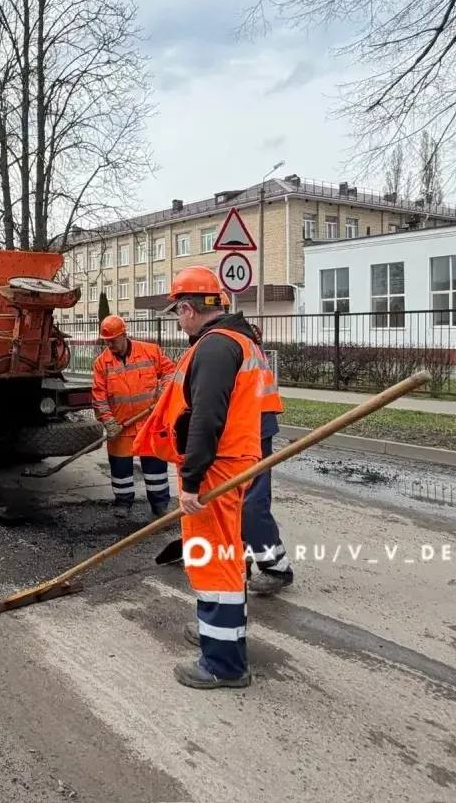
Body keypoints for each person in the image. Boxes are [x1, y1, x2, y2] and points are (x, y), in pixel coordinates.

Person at [134, 266, 276, 689]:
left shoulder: (215, 348)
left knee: (213, 562)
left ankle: (222, 663)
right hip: (231, 462)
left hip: (215, 470)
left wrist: (192, 481)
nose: (178, 320)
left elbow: (206, 419)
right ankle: (221, 634)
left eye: (178, 312)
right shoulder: (237, 341)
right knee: (226, 556)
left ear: (190, 308)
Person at [91, 315, 175, 519]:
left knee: (156, 468)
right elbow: (99, 397)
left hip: (149, 423)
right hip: (121, 426)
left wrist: (163, 392)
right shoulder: (102, 363)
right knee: (121, 469)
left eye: (113, 340)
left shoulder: (150, 351)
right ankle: (123, 503)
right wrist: (109, 421)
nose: (110, 345)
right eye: (106, 341)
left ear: (124, 335)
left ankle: (160, 504)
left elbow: (170, 372)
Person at [241, 319, 295, 595]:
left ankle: (275, 566)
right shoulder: (242, 342)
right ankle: (246, 556)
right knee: (241, 499)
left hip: (252, 428)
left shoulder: (234, 346)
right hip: (253, 425)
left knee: (249, 500)